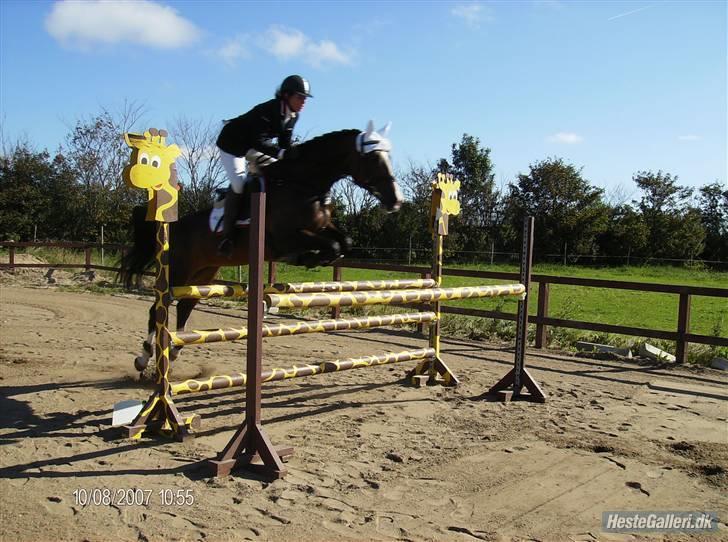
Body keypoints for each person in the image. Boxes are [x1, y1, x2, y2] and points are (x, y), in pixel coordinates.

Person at [216, 74, 313, 257]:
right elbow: (259, 141)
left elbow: (284, 143)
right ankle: (227, 237)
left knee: (280, 170)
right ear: (286, 95)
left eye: (305, 98)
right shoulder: (268, 110)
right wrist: (282, 153)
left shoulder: (293, 116)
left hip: (253, 146)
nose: (303, 102)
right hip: (233, 145)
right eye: (300, 97)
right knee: (238, 182)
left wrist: (294, 156)